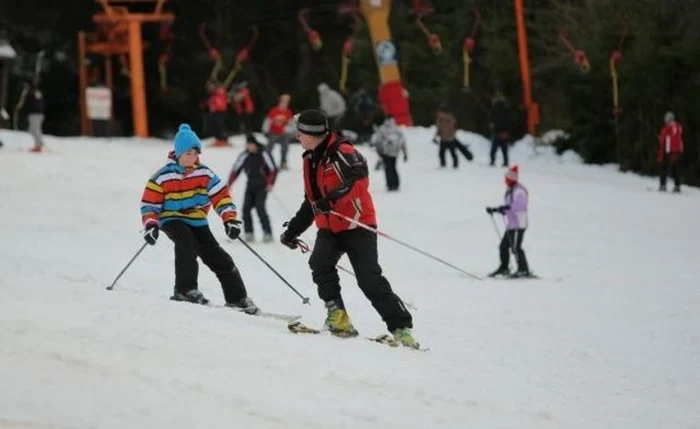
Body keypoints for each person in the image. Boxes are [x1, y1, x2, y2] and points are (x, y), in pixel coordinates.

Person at [279, 109, 419, 348]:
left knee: (369, 280)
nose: (297, 138)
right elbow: (311, 202)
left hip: (357, 224)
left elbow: (359, 180)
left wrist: (331, 199)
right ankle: (338, 316)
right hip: (329, 228)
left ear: (311, 134)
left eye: (299, 133)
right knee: (320, 264)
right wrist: (292, 231)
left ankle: (400, 328)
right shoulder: (309, 159)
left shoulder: (344, 152)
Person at [140, 123, 259, 313]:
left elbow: (221, 196)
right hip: (171, 219)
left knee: (216, 255)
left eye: (196, 154)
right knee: (186, 243)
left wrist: (229, 220)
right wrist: (151, 225)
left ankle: (237, 298)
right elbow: (150, 204)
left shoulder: (204, 173)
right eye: (188, 154)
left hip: (197, 220)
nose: (193, 158)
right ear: (178, 154)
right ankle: (185, 290)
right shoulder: (162, 177)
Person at [228, 134, 278, 243]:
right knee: (246, 209)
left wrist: (270, 183)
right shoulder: (245, 154)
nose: (249, 147)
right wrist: (229, 184)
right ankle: (249, 233)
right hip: (250, 185)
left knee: (260, 208)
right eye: (247, 144)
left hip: (262, 186)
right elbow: (236, 169)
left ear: (255, 144)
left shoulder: (264, 152)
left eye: (251, 144)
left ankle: (267, 233)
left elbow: (273, 169)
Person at [486, 165, 530, 278]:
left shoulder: (519, 190)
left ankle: (523, 270)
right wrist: (496, 209)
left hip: (519, 224)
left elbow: (521, 205)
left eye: (507, 179)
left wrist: (506, 208)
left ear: (512, 179)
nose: (506, 181)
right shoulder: (511, 189)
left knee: (516, 247)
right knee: (503, 246)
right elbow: (510, 206)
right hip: (512, 224)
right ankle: (504, 268)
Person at [370, 114, 407, 191]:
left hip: (386, 152)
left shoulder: (383, 129)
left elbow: (378, 140)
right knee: (393, 167)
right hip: (395, 152)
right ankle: (396, 184)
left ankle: (390, 184)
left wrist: (379, 148)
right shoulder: (397, 129)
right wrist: (404, 153)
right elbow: (402, 141)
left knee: (388, 168)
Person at [434, 103, 473, 168]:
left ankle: (443, 164)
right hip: (451, 138)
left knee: (442, 153)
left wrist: (437, 135)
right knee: (452, 153)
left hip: (444, 138)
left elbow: (440, 128)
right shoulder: (451, 117)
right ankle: (455, 165)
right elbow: (453, 127)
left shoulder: (440, 118)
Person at [263, 93, 294, 170]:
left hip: (283, 134)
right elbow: (268, 121)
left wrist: (289, 129)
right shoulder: (274, 110)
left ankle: (283, 163)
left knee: (285, 148)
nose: (284, 104)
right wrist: (265, 130)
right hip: (273, 132)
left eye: (286, 102)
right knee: (269, 148)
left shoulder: (288, 112)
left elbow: (291, 123)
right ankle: (265, 162)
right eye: (283, 102)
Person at [16, 77, 45, 152]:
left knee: (35, 129)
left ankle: (38, 145)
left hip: (36, 114)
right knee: (32, 130)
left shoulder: (34, 91)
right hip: (33, 113)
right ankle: (39, 143)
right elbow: (24, 101)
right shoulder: (29, 92)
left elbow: (38, 100)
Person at [657, 111, 683, 192]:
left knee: (664, 168)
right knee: (676, 169)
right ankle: (677, 186)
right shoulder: (679, 127)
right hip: (678, 151)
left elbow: (664, 139)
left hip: (669, 151)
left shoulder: (667, 128)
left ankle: (663, 185)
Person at [489, 91, 511, 167]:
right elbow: (508, 120)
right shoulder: (506, 108)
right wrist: (507, 130)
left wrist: (492, 126)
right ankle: (505, 162)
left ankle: (492, 161)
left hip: (497, 131)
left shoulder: (494, 109)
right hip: (504, 131)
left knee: (494, 148)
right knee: (504, 148)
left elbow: (492, 120)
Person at [205, 79, 229, 147]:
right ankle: (218, 139)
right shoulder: (214, 93)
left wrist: (213, 103)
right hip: (215, 111)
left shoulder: (219, 90)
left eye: (210, 86)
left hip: (220, 110)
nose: (209, 88)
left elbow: (220, 101)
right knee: (214, 125)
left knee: (220, 125)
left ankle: (223, 140)